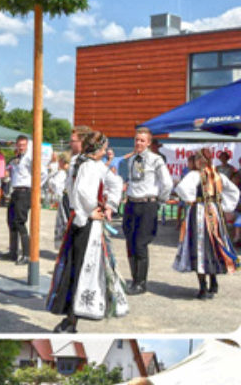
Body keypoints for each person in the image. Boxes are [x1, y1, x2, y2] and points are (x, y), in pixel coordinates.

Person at [47, 130, 127, 333]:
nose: (106, 151)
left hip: (78, 219)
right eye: (104, 147)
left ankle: (71, 317)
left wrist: (109, 205)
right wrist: (93, 210)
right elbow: (83, 191)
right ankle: (72, 317)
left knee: (76, 266)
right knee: (83, 267)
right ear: (98, 149)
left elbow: (114, 183)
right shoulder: (90, 166)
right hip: (86, 224)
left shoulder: (79, 162)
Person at [173, 147, 239, 299]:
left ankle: (203, 288)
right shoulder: (217, 175)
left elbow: (181, 188)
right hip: (214, 213)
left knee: (200, 247)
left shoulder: (194, 175)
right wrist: (224, 206)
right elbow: (234, 191)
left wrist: (191, 199)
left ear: (198, 161)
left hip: (199, 213)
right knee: (213, 245)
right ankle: (214, 283)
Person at [121, 126, 173, 295]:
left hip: (147, 204)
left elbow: (167, 183)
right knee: (130, 241)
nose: (138, 143)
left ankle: (141, 282)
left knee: (141, 243)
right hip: (131, 203)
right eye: (136, 140)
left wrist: (160, 200)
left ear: (149, 143)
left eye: (142, 140)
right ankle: (134, 278)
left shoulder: (156, 160)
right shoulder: (131, 160)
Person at [0, 135, 35, 264]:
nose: (21, 147)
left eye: (23, 145)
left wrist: (35, 187)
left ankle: (26, 254)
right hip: (16, 191)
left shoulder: (30, 158)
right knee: (11, 221)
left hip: (25, 191)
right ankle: (13, 252)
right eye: (19, 145)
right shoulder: (17, 158)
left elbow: (41, 173)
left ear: (27, 145)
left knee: (20, 222)